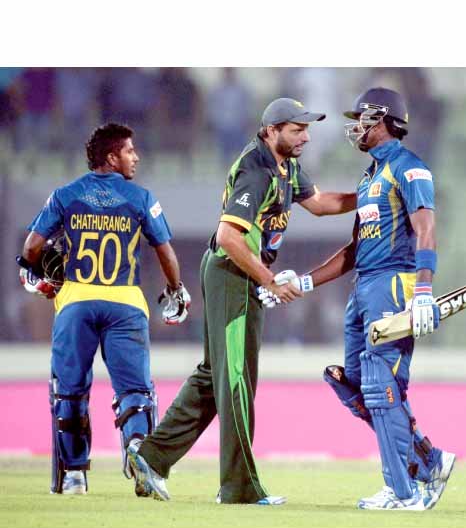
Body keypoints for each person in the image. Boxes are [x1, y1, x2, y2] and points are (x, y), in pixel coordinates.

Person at [127, 98, 357, 505]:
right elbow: (229, 237)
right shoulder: (257, 169)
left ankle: (150, 457)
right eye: (295, 129)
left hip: (235, 274)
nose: (304, 136)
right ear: (271, 130)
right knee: (235, 380)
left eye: (306, 129)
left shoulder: (285, 167)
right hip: (233, 274)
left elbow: (320, 205)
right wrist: (269, 279)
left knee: (214, 377)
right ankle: (239, 487)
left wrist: (369, 196)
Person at [267, 88, 456, 511]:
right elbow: (354, 250)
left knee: (378, 384)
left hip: (394, 284)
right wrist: (306, 282)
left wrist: (423, 291)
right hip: (364, 287)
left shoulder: (410, 168)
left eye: (363, 118)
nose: (357, 126)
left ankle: (402, 491)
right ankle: (428, 459)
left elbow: (426, 230)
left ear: (382, 119)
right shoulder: (370, 177)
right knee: (352, 382)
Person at [19, 122, 190, 495]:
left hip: (76, 302)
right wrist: (175, 290)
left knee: (70, 392)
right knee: (135, 392)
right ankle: (138, 455)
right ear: (112, 157)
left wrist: (34, 276)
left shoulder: (65, 195)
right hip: (125, 303)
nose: (136, 157)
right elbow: (166, 253)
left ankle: (75, 477)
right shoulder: (141, 197)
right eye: (130, 151)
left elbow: (32, 248)